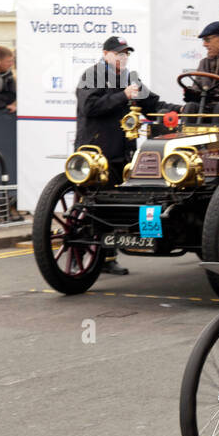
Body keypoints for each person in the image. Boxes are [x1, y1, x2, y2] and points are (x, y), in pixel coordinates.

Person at [75, 36, 168, 275]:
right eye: (118, 54)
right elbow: (90, 107)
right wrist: (122, 96)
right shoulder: (92, 75)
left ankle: (108, 258)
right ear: (105, 54)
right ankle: (79, 255)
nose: (122, 58)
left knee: (118, 205)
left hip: (122, 153)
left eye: (126, 54)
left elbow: (152, 104)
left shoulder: (130, 78)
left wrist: (179, 110)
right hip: (96, 153)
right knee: (89, 207)